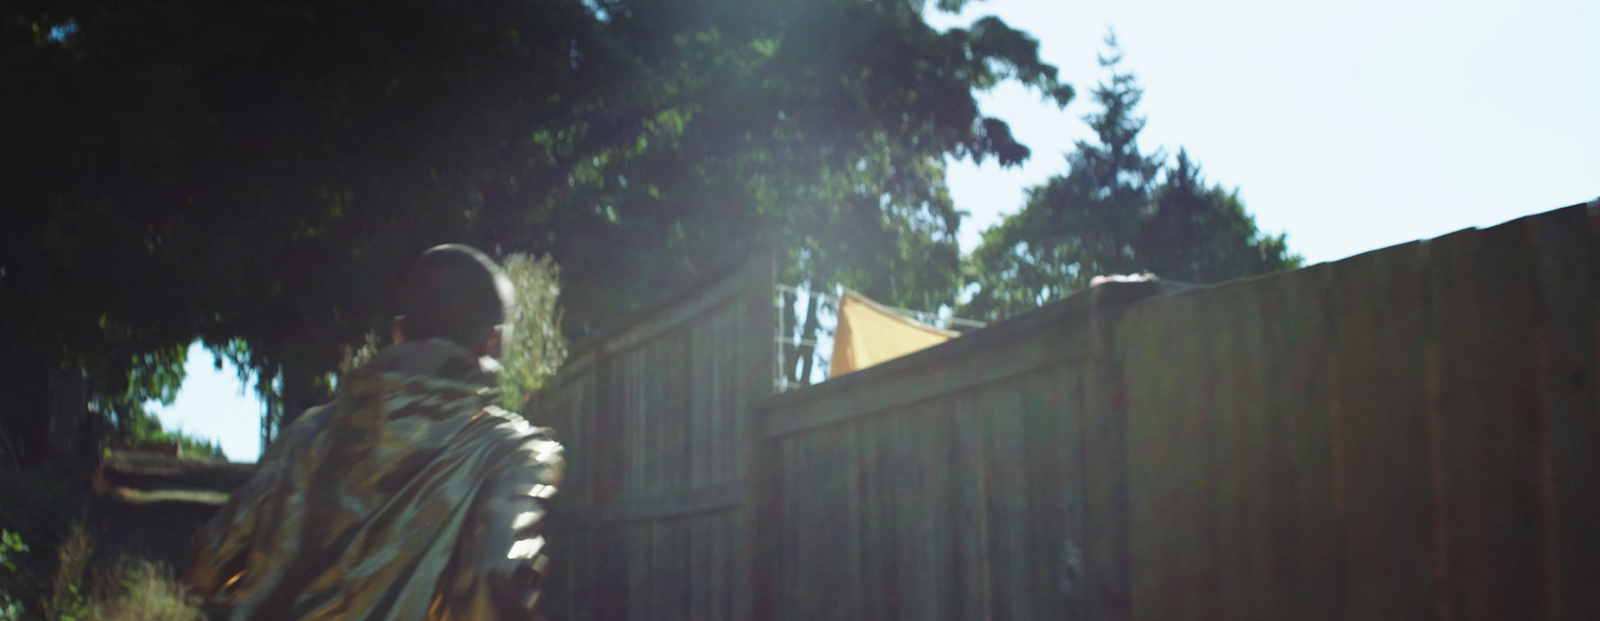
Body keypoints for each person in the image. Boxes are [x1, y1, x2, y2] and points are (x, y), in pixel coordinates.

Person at [188, 244, 564, 620]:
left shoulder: (305, 436)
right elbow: (494, 586)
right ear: (494, 342)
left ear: (398, 333)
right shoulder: (515, 453)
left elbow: (210, 562)